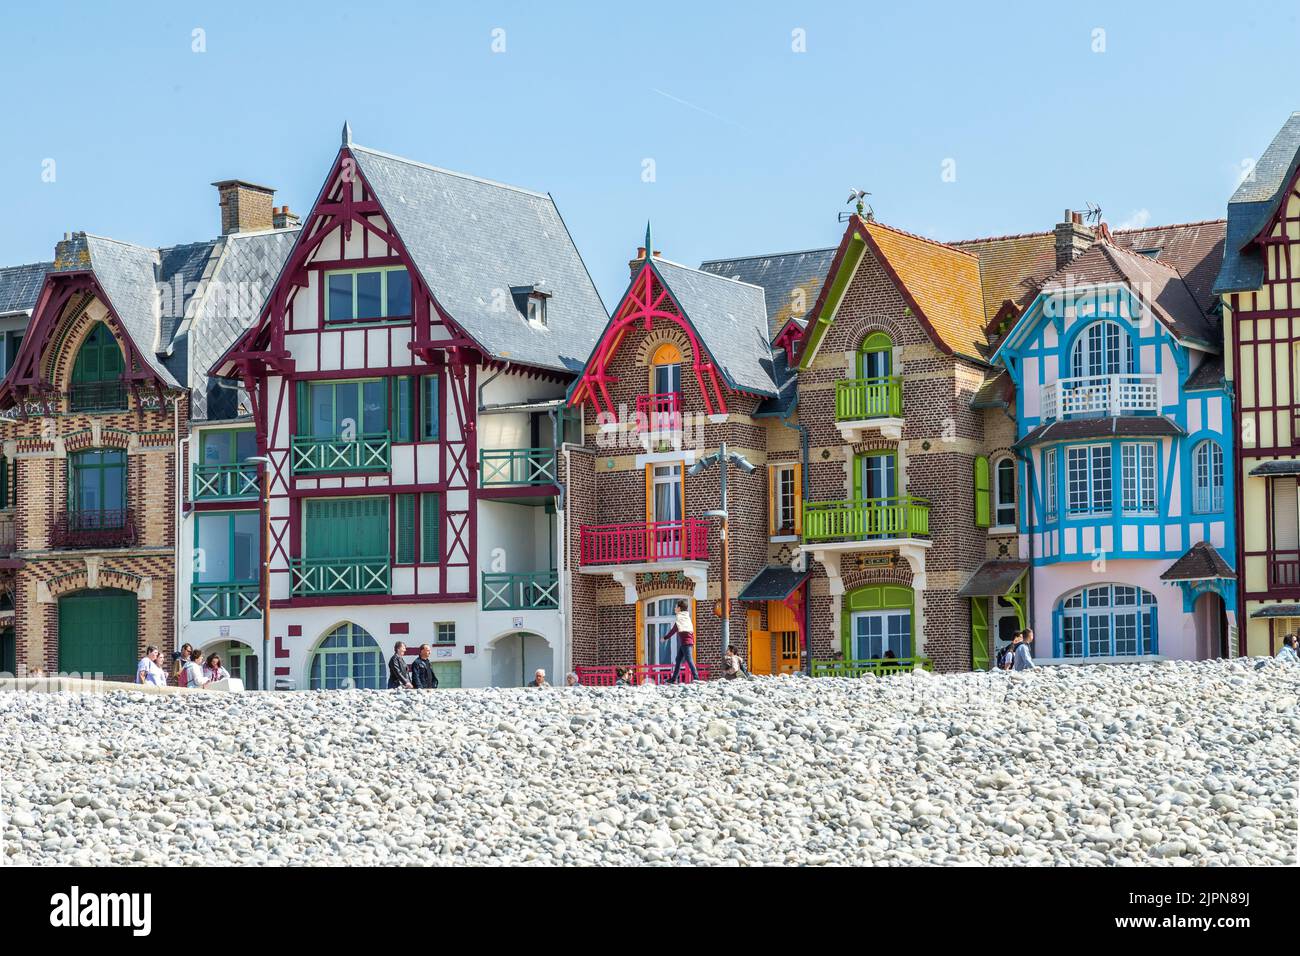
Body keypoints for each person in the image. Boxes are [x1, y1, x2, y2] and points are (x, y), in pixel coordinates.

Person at [661, 599, 700, 684]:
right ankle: (674, 679)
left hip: (686, 643)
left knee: (689, 660)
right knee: (678, 659)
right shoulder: (686, 617)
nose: (674, 608)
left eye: (676, 607)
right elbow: (691, 631)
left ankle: (696, 677)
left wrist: (665, 638)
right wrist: (693, 642)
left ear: (679, 608)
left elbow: (674, 629)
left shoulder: (680, 618)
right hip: (685, 643)